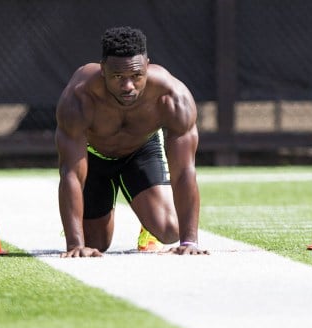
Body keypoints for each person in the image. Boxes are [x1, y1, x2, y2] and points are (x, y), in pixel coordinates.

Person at [55, 26, 209, 257]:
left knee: (169, 230)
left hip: (141, 151)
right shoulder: (79, 97)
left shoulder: (172, 97)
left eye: (136, 76)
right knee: (95, 243)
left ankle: (148, 225)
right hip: (94, 158)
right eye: (118, 77)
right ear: (103, 69)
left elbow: (184, 170)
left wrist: (190, 242)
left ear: (147, 66)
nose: (128, 86)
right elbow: (70, 173)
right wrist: (75, 245)